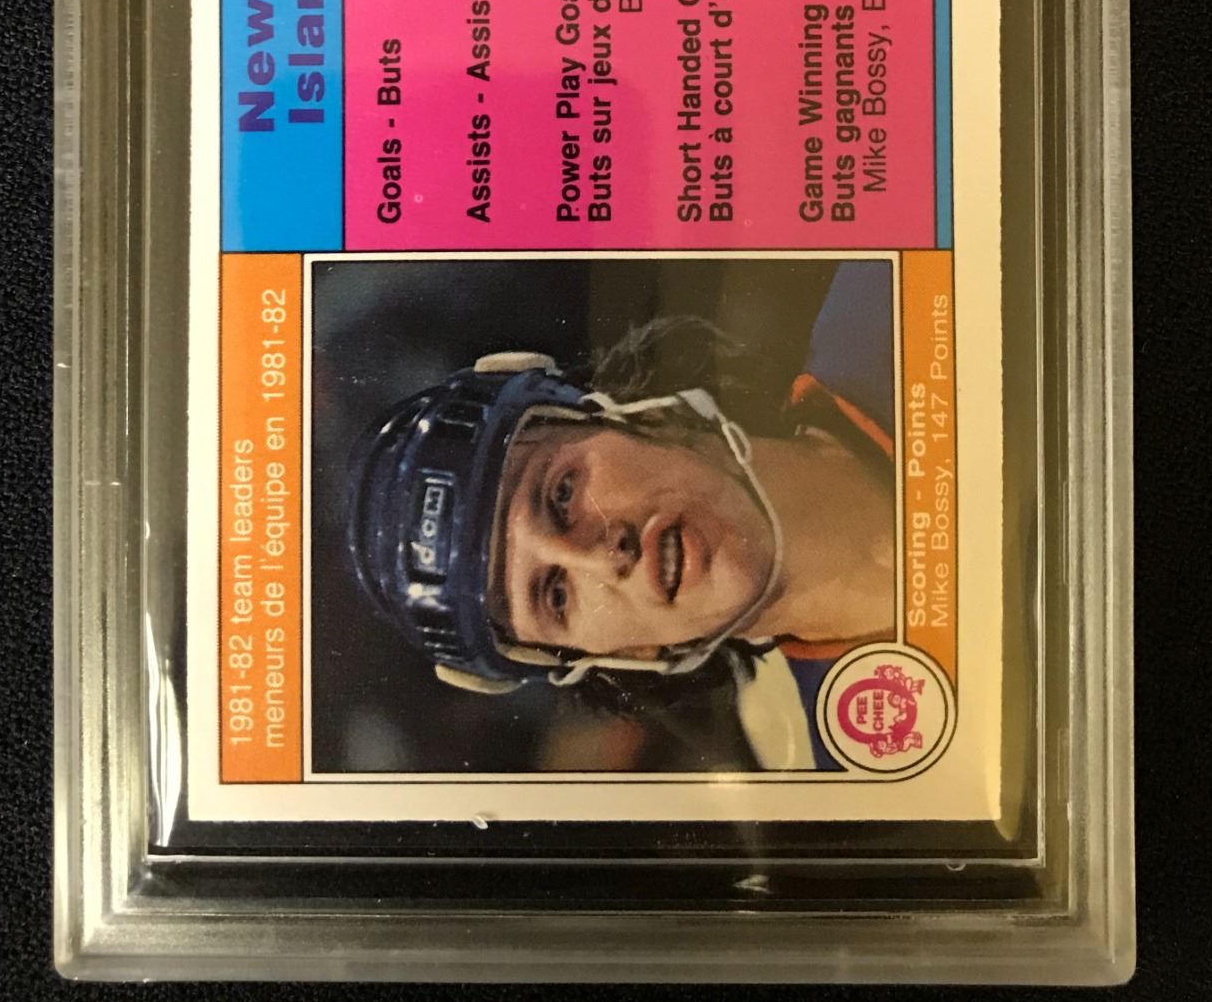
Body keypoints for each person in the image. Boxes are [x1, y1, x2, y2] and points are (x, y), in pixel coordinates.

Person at [342, 261, 894, 768]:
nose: (601, 558)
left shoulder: (891, 297)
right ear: (618, 657)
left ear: (631, 413)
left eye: (561, 493)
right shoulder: (870, 776)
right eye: (556, 596)